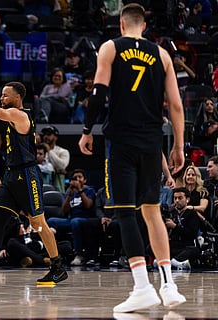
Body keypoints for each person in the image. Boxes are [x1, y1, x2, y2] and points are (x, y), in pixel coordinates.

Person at [78, 3, 186, 313]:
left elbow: (98, 92)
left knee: (125, 212)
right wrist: (178, 146)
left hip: (122, 141)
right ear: (144, 26)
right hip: (152, 142)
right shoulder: (162, 54)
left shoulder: (111, 47)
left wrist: (87, 130)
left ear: (122, 25)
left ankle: (142, 287)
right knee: (152, 211)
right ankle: (168, 284)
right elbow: (176, 106)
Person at [0, 80, 68, 286]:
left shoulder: (20, 115)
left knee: (37, 223)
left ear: (18, 97)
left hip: (26, 175)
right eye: (1, 95)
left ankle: (57, 266)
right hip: (11, 176)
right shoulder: (12, 118)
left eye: (5, 95)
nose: (2, 98)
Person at [47, 168, 96, 266]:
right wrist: (69, 194)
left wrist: (80, 191)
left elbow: (88, 205)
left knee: (75, 222)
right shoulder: (69, 192)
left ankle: (78, 254)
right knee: (51, 221)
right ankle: (53, 252)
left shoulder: (89, 190)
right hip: (71, 219)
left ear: (85, 180)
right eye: (75, 177)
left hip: (85, 219)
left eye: (80, 177)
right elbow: (63, 211)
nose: (77, 179)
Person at [164, 187, 201, 270]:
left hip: (185, 245)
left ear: (187, 199)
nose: (177, 201)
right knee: (152, 247)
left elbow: (191, 234)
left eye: (180, 198)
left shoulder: (192, 214)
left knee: (194, 250)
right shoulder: (171, 213)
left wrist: (175, 227)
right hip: (172, 245)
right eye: (175, 198)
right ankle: (175, 262)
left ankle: (172, 261)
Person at [41, 125, 70, 192]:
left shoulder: (63, 151)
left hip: (57, 185)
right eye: (44, 134)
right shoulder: (39, 151)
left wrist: (49, 151)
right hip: (41, 184)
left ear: (56, 137)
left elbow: (62, 166)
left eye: (49, 134)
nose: (46, 136)